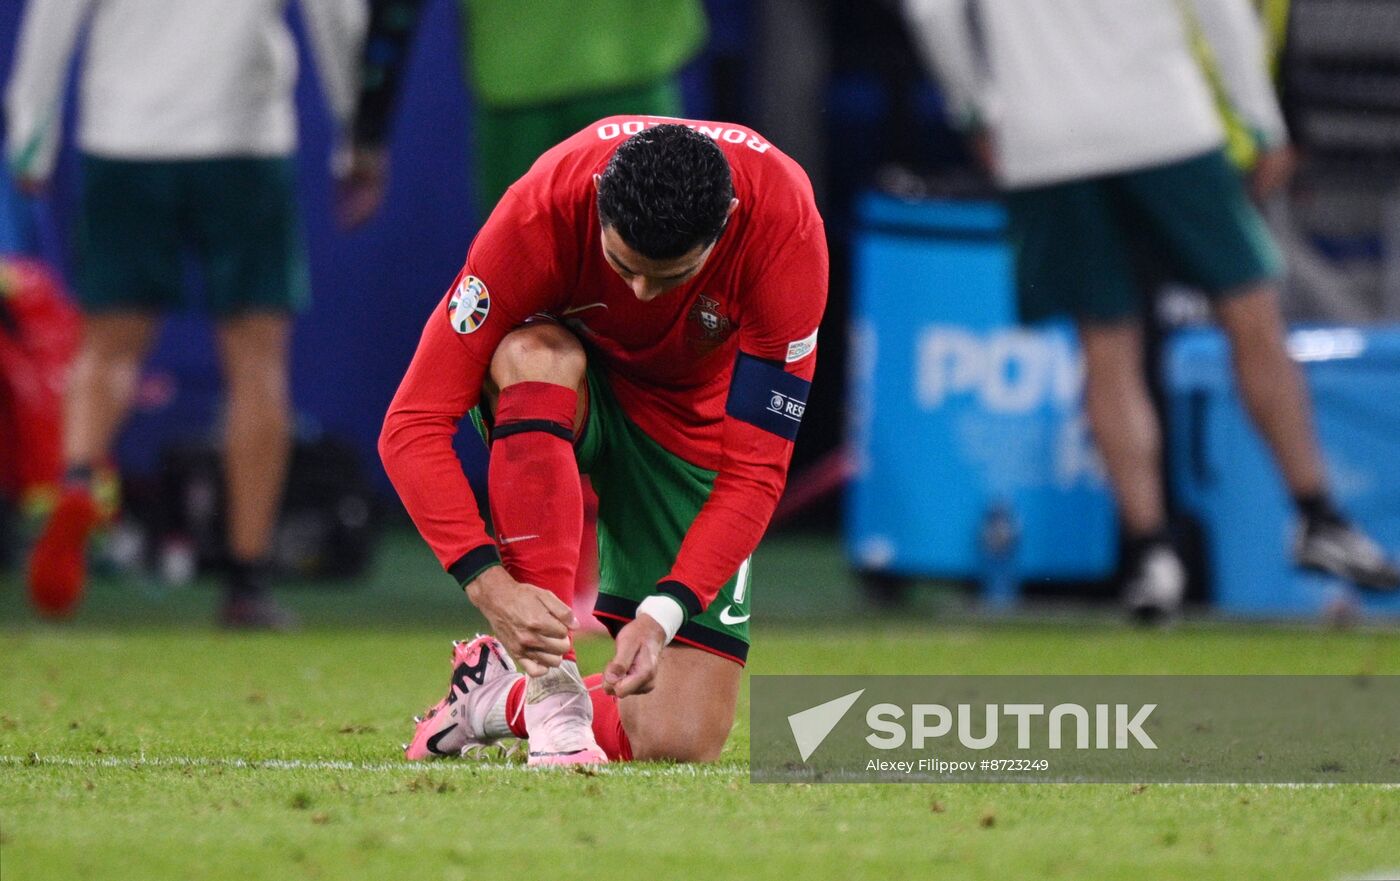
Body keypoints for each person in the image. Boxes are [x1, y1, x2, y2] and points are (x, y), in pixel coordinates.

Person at [904, 0, 1399, 618]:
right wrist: (1264, 121)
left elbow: (931, 13)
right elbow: (1222, 12)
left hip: (1044, 139)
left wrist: (975, 106)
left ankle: (1151, 553)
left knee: (1106, 348)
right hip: (1166, 124)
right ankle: (1317, 516)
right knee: (1253, 318)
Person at [380, 120, 827, 764]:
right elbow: (412, 424)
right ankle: (550, 684)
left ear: (725, 222)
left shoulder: (784, 228)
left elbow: (755, 472)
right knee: (534, 351)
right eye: (621, 265)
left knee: (680, 739)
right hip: (571, 386)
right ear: (598, 199)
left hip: (688, 428)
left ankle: (489, 701)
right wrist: (489, 585)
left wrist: (663, 613)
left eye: (669, 276)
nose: (639, 292)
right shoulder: (540, 210)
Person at [5, 0, 365, 626]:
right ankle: (247, 580)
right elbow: (337, 16)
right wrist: (359, 135)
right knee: (257, 364)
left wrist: (29, 136)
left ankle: (81, 480)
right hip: (242, 142)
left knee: (107, 348)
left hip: (122, 137)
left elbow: (52, 15)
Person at [337, 0, 707, 227]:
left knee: (527, 314)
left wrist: (369, 131)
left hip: (521, 98)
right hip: (622, 85)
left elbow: (394, 12)